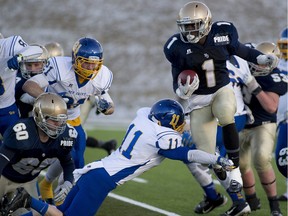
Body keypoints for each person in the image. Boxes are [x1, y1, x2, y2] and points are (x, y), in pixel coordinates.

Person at [1, 99, 235, 216]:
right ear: (167, 123)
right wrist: (215, 159)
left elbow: (174, 140)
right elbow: (187, 154)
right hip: (102, 180)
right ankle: (28, 201)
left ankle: (27, 203)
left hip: (95, 170)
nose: (180, 126)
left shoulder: (144, 119)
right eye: (177, 123)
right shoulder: (162, 137)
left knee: (60, 215)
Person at [163, 2, 279, 215]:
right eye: (185, 26)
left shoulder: (223, 32)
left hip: (221, 90)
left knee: (226, 112)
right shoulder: (175, 46)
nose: (189, 31)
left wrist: (261, 58)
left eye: (194, 25)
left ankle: (234, 167)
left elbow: (242, 50)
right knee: (207, 156)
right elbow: (176, 83)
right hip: (198, 101)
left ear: (206, 23)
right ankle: (239, 201)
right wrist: (183, 91)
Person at [22, 37, 115, 203]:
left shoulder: (102, 76)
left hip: (72, 119)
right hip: (48, 117)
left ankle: (57, 192)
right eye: (85, 63)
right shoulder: (60, 67)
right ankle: (30, 191)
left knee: (78, 157)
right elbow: (29, 85)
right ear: (75, 59)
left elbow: (110, 107)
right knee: (40, 156)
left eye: (94, 64)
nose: (90, 67)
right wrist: (52, 98)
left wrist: (105, 107)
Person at [182, 55, 250, 214]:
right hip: (233, 115)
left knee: (196, 152)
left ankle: (233, 200)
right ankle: (218, 197)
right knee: (204, 157)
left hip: (225, 116)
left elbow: (207, 95)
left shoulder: (207, 58)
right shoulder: (235, 58)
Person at [0, 92, 77, 215]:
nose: (59, 126)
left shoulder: (64, 137)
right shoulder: (23, 133)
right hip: (4, 177)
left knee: (34, 214)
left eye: (62, 121)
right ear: (39, 116)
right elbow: (1, 160)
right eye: (54, 121)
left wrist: (68, 181)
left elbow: (67, 162)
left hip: (27, 182)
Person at [240, 41, 286, 216]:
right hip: (242, 123)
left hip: (264, 124)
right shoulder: (244, 66)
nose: (257, 65)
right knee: (240, 164)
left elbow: (271, 107)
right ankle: (251, 200)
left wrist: (254, 86)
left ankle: (274, 205)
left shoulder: (275, 77)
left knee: (261, 159)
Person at [0, 35, 28, 141]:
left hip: (8, 110)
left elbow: (36, 49)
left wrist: (20, 56)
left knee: (19, 147)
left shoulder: (9, 46)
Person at [15, 44, 50, 118]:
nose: (32, 69)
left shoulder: (52, 77)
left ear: (45, 64)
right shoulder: (19, 80)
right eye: (29, 65)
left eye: (36, 65)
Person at [275, 27, 288, 201]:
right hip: (282, 118)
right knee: (282, 157)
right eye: (283, 45)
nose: (285, 49)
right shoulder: (277, 63)